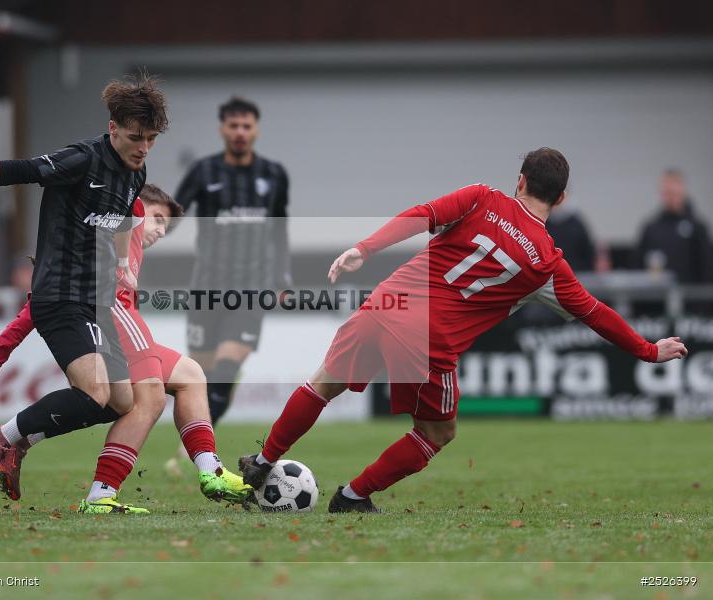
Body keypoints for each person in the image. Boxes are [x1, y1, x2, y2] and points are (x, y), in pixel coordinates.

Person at [238, 148, 689, 513]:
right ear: (562, 198)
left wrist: (364, 248)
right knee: (438, 434)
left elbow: (420, 214)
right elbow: (596, 313)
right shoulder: (548, 264)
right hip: (428, 339)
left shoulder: (480, 197)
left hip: (385, 301)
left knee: (323, 384)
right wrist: (648, 350)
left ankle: (263, 461)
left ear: (520, 181)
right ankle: (352, 496)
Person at [0, 74, 168, 493]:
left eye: (152, 139)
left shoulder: (134, 174)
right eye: (137, 137)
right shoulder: (81, 160)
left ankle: (21, 440)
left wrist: (122, 263)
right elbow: (19, 170)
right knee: (96, 392)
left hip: (93, 301)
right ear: (113, 128)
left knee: (123, 402)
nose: (144, 148)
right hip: (60, 297)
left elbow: (116, 220)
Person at [0, 186, 252, 513]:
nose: (162, 231)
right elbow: (124, 190)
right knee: (146, 400)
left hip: (107, 321)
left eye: (167, 227)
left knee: (186, 376)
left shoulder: (117, 249)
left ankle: (211, 471)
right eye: (159, 219)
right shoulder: (126, 214)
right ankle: (93, 489)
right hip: (111, 315)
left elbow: (33, 310)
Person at [174, 96, 291, 428]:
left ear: (255, 130)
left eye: (246, 126)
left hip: (251, 289)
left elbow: (279, 229)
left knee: (224, 373)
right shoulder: (202, 171)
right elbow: (172, 216)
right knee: (200, 378)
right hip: (206, 288)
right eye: (233, 125)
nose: (240, 132)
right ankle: (194, 447)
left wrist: (283, 279)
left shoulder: (274, 175)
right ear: (222, 129)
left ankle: (195, 453)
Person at [636, 168, 712, 283]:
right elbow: (637, 264)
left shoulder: (698, 228)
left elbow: (707, 267)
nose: (671, 197)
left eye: (674, 192)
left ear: (683, 191)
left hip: (690, 297)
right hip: (657, 297)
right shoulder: (651, 228)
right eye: (667, 193)